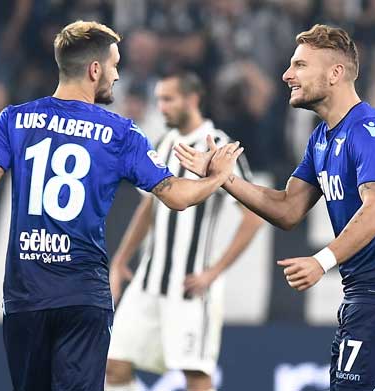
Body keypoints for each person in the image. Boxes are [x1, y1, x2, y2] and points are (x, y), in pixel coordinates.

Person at [0, 20, 243, 391]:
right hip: (84, 297)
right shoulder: (121, 132)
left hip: (25, 296)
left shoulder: (14, 119)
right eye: (114, 65)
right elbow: (176, 197)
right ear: (94, 69)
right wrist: (216, 178)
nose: (116, 75)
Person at [175, 24, 375, 390]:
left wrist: (321, 261)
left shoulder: (368, 130)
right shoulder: (322, 138)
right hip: (364, 291)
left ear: (335, 73)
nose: (286, 75)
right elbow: (288, 209)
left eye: (300, 65)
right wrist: (224, 179)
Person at [105, 72, 263, 391]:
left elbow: (253, 217)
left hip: (190, 284)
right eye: (159, 99)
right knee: (113, 364)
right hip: (150, 279)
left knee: (195, 375)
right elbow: (148, 207)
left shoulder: (220, 146)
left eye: (168, 99)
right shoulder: (164, 142)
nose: (161, 107)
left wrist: (213, 272)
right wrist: (121, 259)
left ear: (192, 99)